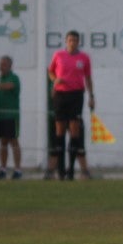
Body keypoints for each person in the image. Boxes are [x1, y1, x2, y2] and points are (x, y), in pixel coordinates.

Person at [47, 31, 94, 181]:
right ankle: (60, 170)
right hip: (61, 95)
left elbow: (88, 78)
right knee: (60, 131)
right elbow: (50, 71)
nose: (72, 42)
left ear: (78, 42)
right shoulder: (58, 55)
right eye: (70, 40)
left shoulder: (84, 58)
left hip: (76, 95)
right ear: (66, 41)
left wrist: (91, 96)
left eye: (75, 40)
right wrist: (55, 80)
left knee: (74, 131)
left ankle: (71, 170)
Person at [0, 56, 23, 180]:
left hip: (11, 115)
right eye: (0, 64)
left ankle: (18, 169)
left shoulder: (14, 78)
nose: (1, 67)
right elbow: (2, 97)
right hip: (0, 116)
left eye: (4, 64)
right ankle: (3, 169)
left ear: (10, 66)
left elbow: (8, 86)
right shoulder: (0, 79)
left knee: (14, 141)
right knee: (3, 142)